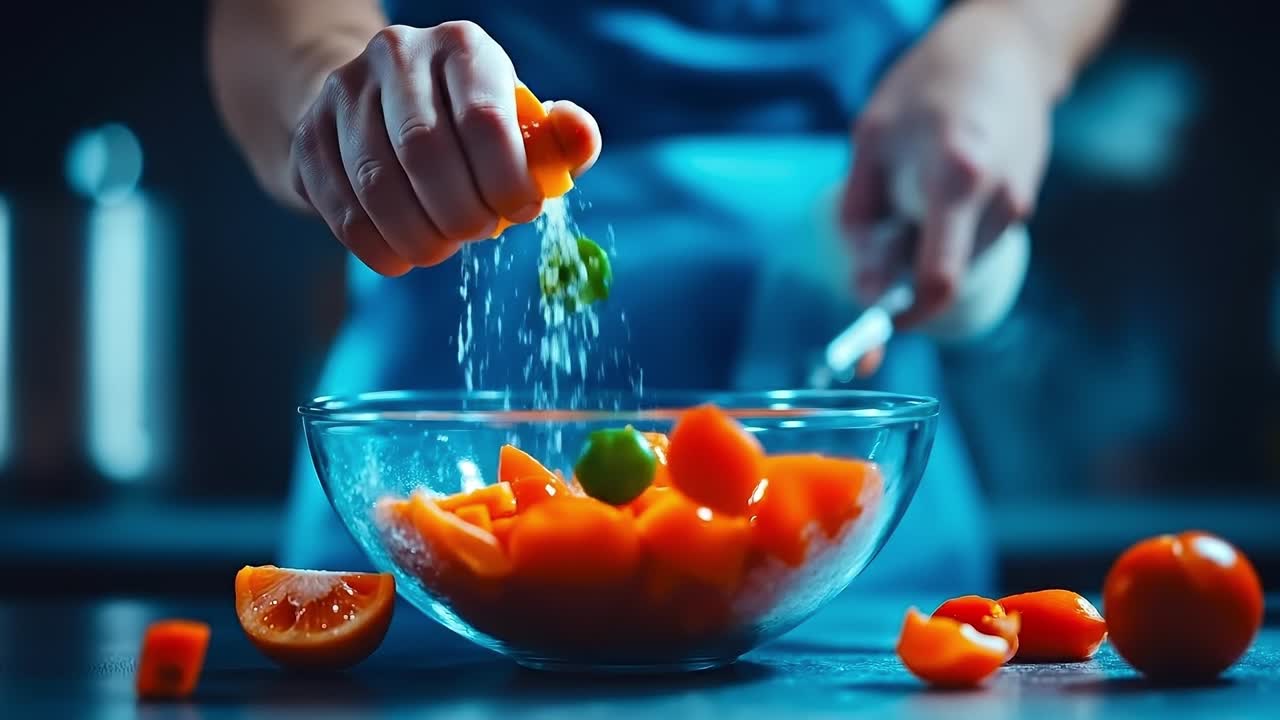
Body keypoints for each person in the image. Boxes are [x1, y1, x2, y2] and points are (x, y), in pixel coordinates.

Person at [209, 0, 1122, 596]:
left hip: (847, 523)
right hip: (434, 518)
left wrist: (1012, 37)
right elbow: (269, 21)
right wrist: (339, 93)